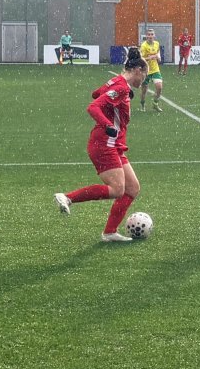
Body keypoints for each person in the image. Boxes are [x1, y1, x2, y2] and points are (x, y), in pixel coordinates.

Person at [54, 48, 148, 242]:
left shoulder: (118, 84)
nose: (144, 80)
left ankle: (110, 232)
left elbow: (95, 93)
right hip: (105, 143)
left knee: (132, 188)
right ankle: (68, 197)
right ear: (138, 70)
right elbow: (93, 106)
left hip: (115, 145)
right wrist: (107, 125)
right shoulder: (121, 87)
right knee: (117, 190)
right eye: (145, 75)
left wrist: (111, 91)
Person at [139, 29, 163, 112]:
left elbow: (158, 53)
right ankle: (142, 104)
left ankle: (155, 104)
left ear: (154, 35)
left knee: (159, 87)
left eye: (151, 34)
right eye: (148, 35)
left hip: (155, 70)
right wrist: (149, 58)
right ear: (146, 36)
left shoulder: (157, 44)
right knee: (144, 90)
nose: (150, 36)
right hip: (145, 71)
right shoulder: (143, 46)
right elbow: (141, 60)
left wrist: (159, 58)